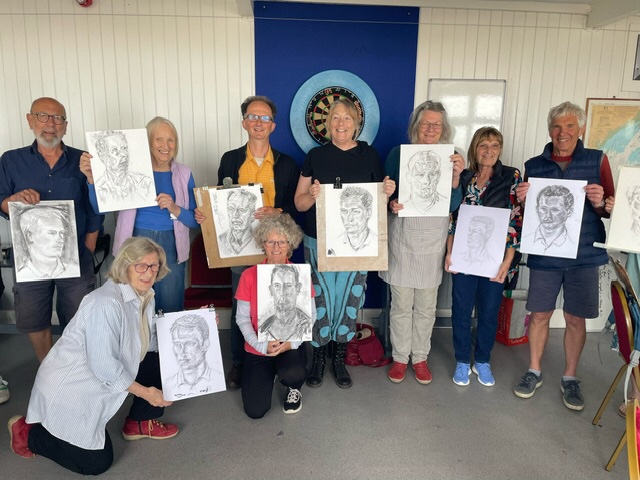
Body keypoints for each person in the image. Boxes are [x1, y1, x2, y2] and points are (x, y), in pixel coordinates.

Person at [7, 237, 178, 476]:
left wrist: (196, 323)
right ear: (125, 265)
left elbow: (150, 343)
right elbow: (104, 366)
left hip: (103, 375)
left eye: (154, 266)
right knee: (96, 463)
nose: (149, 272)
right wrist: (147, 393)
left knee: (161, 359)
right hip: (74, 386)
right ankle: (28, 433)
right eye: (141, 265)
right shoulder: (105, 304)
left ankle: (139, 421)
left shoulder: (145, 294)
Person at [513, 101, 615, 411]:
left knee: (575, 318)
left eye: (570, 126)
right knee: (539, 314)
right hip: (545, 254)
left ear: (580, 129)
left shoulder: (598, 160)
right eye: (557, 126)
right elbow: (529, 215)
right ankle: (534, 371)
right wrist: (523, 200)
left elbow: (611, 209)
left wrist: (602, 202)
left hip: (584, 254)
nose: (563, 132)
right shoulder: (534, 164)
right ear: (549, 130)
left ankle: (570, 377)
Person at [197, 95, 299, 390]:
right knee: (241, 305)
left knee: (279, 301)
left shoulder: (287, 164)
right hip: (240, 249)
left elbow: (296, 207)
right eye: (253, 117)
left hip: (275, 247)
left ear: (273, 125)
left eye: (264, 118)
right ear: (244, 123)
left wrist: (277, 211)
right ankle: (241, 363)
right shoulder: (230, 160)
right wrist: (205, 214)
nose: (258, 122)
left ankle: (279, 356)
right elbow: (219, 202)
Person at [294, 98, 395, 389]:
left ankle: (339, 358)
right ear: (328, 123)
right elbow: (299, 204)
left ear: (356, 124)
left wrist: (388, 192)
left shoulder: (369, 155)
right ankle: (318, 358)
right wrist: (313, 195)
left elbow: (378, 204)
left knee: (349, 298)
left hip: (357, 246)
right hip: (319, 240)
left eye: (347, 118)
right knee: (320, 300)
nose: (341, 123)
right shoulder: (316, 156)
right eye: (335, 117)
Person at [0, 97, 102, 362]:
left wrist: (90, 243)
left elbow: (97, 206)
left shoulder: (84, 160)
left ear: (65, 126)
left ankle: (75, 370)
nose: (50, 124)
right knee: (35, 318)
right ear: (30, 120)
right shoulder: (11, 160)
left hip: (76, 255)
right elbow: (1, 202)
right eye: (43, 116)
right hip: (30, 258)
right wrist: (13, 200)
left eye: (58, 118)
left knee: (79, 317)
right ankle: (48, 370)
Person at [379, 100, 463, 385]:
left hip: (432, 239)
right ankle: (400, 357)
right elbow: (387, 193)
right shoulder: (397, 154)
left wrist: (456, 178)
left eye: (436, 124)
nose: (430, 129)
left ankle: (420, 358)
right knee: (401, 304)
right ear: (416, 126)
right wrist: (391, 202)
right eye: (426, 123)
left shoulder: (452, 157)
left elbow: (452, 205)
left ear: (444, 128)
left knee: (427, 305)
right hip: (403, 237)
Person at [82, 116, 198, 314]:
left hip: (172, 244)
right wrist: (93, 181)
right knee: (134, 307)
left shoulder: (184, 173)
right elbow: (99, 208)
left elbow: (195, 221)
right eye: (159, 139)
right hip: (135, 241)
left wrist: (174, 207)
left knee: (170, 306)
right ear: (147, 142)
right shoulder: (128, 170)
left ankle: (164, 337)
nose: (166, 146)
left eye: (171, 140)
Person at [445, 126, 522, 387]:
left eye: (494, 146)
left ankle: (483, 361)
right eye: (483, 145)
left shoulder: (510, 176)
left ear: (500, 149)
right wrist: (449, 252)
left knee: (489, 311)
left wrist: (507, 262)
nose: (489, 151)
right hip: (464, 257)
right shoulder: (464, 177)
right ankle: (462, 360)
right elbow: (453, 218)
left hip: (495, 260)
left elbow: (515, 220)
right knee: (461, 310)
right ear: (474, 149)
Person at [235, 214, 314, 417]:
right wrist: (261, 345)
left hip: (289, 344)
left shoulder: (301, 274)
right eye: (270, 241)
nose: (276, 247)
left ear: (290, 244)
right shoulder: (248, 276)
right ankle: (267, 373)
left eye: (282, 241)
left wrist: (292, 343)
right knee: (255, 410)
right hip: (257, 346)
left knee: (292, 372)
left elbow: (311, 315)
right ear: (263, 244)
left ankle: (293, 386)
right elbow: (242, 318)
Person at [164, 313, 221, 398]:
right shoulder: (167, 384)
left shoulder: (218, 379)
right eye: (177, 344)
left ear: (205, 345)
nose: (182, 351)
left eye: (189, 343)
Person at [16, 205, 79, 281]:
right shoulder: (23, 275)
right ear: (30, 236)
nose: (60, 239)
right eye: (52, 233)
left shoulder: (73, 270)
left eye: (62, 233)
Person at [91, 130, 153, 205]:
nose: (124, 155)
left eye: (124, 148)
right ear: (103, 156)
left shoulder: (144, 183)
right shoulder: (99, 188)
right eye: (115, 150)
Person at [259, 264, 312, 342]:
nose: (282, 292)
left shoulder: (308, 327)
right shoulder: (262, 331)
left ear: (297, 288)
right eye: (277, 286)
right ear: (271, 290)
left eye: (288, 285)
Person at [329, 186, 378, 256]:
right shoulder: (332, 246)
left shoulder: (378, 243)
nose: (349, 218)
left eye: (355, 211)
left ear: (368, 212)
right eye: (344, 211)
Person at [527, 184, 576, 253]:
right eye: (543, 209)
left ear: (569, 211)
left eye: (555, 210)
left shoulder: (573, 245)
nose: (548, 215)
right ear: (537, 209)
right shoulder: (526, 240)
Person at [217, 189, 259, 256]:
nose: (235, 215)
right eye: (231, 209)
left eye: (241, 210)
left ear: (252, 215)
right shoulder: (221, 239)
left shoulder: (259, 238)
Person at [404, 149, 446, 214]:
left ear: (438, 176)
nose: (426, 181)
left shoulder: (446, 203)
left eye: (432, 174)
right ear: (409, 177)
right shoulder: (402, 204)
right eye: (420, 175)